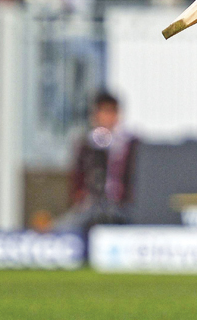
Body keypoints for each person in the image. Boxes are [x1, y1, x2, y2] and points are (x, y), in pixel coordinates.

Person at [53, 92, 138, 235]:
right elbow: (78, 178)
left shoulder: (128, 145)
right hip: (90, 206)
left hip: (120, 207)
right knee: (62, 228)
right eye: (104, 112)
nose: (108, 117)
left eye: (111, 112)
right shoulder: (85, 145)